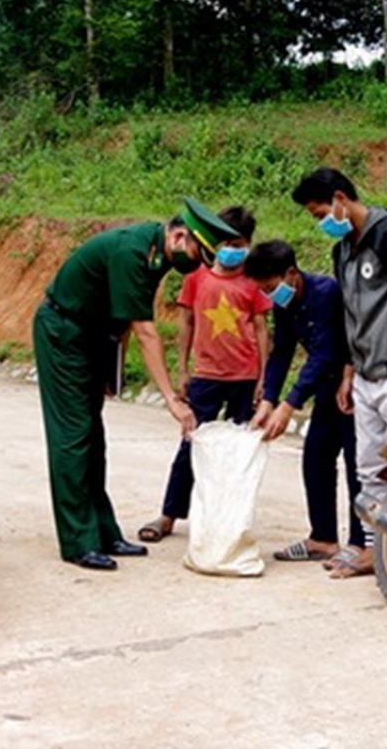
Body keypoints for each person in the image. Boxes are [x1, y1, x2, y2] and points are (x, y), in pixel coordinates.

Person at [35, 199, 240, 571]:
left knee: (93, 437)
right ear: (179, 236)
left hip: (93, 337)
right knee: (72, 435)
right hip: (63, 333)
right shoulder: (133, 251)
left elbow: (127, 318)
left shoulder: (157, 255)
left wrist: (109, 372)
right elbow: (147, 333)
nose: (198, 263)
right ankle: (77, 541)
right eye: (198, 252)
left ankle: (103, 531)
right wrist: (172, 400)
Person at [290, 168, 387, 579]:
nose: (320, 221)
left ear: (340, 198)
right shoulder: (343, 251)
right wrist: (349, 371)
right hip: (365, 375)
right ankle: (376, 550)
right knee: (369, 468)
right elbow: (350, 316)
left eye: (320, 212)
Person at [136, 206, 271, 544]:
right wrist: (183, 368)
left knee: (239, 452)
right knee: (190, 444)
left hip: (245, 377)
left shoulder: (254, 281)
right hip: (206, 376)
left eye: (240, 244)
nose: (233, 250)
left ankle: (228, 518)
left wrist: (263, 379)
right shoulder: (195, 276)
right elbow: (186, 323)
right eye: (227, 242)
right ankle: (169, 515)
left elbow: (260, 328)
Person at [246, 240, 364, 565]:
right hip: (326, 388)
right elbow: (282, 350)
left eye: (271, 287)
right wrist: (269, 400)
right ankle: (323, 539)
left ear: (292, 274)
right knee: (316, 458)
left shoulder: (326, 293)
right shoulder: (284, 304)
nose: (270, 295)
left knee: (357, 467)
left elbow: (325, 354)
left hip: (351, 385)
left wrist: (289, 405)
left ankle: (359, 543)